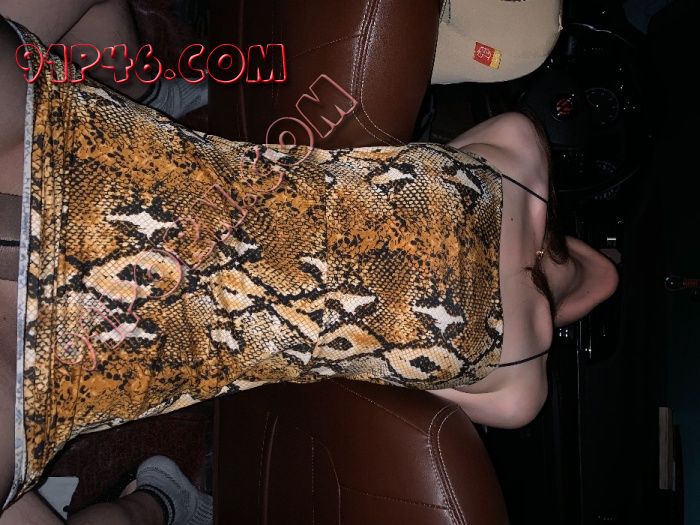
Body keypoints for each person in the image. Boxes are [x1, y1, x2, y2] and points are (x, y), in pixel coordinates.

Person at [0, 0, 619, 522]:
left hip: (55, 161)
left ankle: (142, 88)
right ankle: (155, 506)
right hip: (47, 347)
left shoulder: (519, 154)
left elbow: (598, 277)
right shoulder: (516, 388)